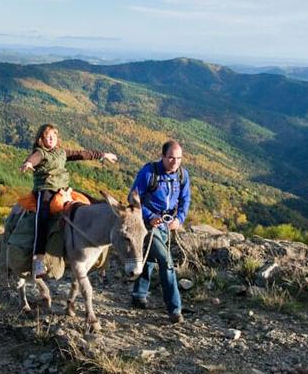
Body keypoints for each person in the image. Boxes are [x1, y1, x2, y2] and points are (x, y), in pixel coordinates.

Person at [19, 123, 117, 279]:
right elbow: (35, 157)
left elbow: (82, 154)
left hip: (63, 189)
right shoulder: (40, 152)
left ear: (57, 138)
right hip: (45, 190)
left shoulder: (62, 152)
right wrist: (29, 163)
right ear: (41, 139)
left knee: (90, 202)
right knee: (42, 218)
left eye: (53, 136)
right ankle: (38, 259)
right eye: (47, 136)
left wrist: (103, 155)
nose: (50, 139)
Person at [129, 140, 191, 324]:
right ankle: (174, 308)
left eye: (178, 158)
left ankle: (138, 295)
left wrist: (179, 218)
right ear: (163, 156)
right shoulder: (149, 172)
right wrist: (148, 216)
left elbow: (185, 199)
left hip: (167, 225)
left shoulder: (182, 175)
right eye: (171, 157)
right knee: (166, 261)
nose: (175, 162)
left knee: (150, 258)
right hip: (147, 226)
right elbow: (132, 197)